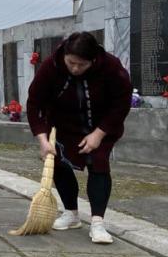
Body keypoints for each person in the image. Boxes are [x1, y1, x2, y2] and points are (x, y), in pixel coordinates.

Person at [26, 31, 132, 244]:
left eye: (81, 65)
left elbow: (121, 103)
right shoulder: (51, 66)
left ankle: (97, 222)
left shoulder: (111, 67)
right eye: (71, 62)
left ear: (93, 60)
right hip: (63, 123)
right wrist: (43, 140)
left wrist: (99, 134)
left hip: (101, 123)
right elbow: (34, 103)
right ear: (64, 55)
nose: (75, 68)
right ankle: (71, 213)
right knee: (58, 163)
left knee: (98, 163)